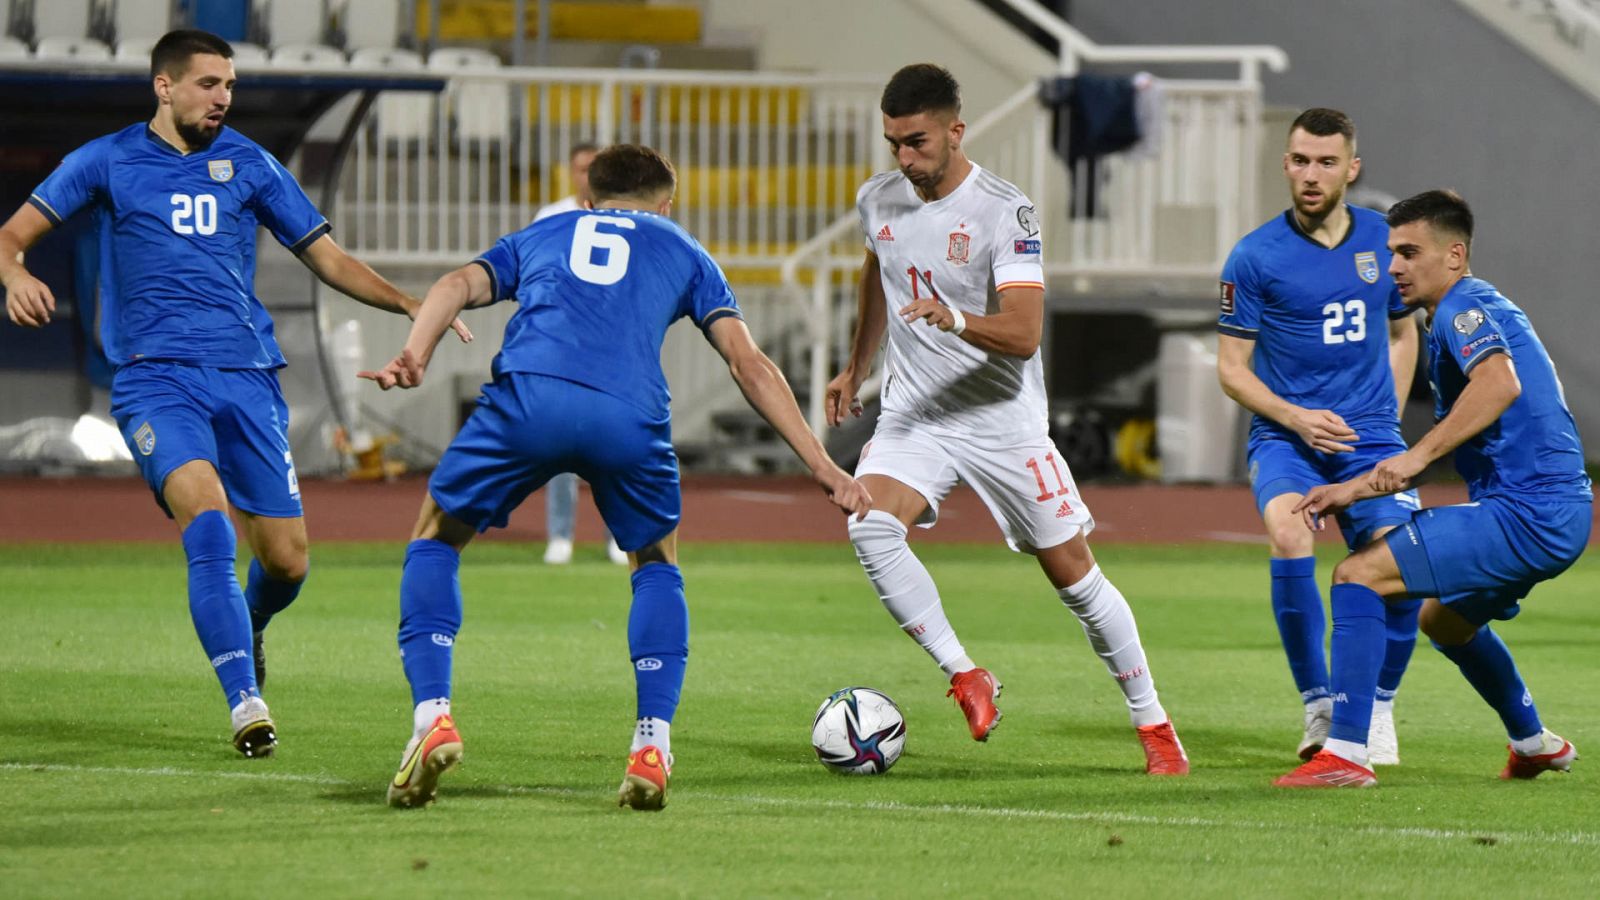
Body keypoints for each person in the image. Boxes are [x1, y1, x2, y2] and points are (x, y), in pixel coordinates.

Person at [0, 30, 469, 759]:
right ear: (165, 86)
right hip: (156, 378)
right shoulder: (106, 159)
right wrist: (17, 274)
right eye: (208, 84)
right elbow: (10, 236)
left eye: (229, 86)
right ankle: (245, 700)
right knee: (209, 521)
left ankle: (248, 625)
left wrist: (411, 306)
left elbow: (328, 258)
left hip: (248, 380)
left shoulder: (250, 163)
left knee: (286, 562)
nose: (222, 98)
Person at [360, 144, 871, 810]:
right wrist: (823, 464)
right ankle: (651, 744)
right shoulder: (686, 249)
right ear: (666, 203)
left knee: (435, 534)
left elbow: (457, 284)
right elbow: (749, 365)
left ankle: (433, 718)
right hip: (625, 416)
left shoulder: (547, 230)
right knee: (655, 560)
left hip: (529, 401)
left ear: (588, 201)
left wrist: (416, 351)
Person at [825, 63, 1187, 775]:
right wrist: (856, 365)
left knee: (1075, 578)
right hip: (917, 413)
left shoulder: (1003, 210)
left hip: (1000, 420)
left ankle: (1154, 725)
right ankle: (965, 674)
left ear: (956, 132)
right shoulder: (879, 199)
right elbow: (878, 269)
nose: (905, 158)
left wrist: (955, 318)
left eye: (918, 142)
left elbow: (1023, 333)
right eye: (893, 143)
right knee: (869, 524)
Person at [1278, 189, 1591, 787]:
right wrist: (1353, 489)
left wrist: (1415, 457)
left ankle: (1346, 753)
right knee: (1443, 621)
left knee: (1357, 575)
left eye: (1408, 252)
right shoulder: (1475, 305)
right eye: (1391, 252)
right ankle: (1533, 742)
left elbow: (1499, 385)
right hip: (1548, 512)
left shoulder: (1461, 309)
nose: (1393, 266)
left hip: (1531, 513)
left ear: (1453, 255)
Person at [1216, 108, 1423, 766]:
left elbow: (1401, 331)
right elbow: (1230, 370)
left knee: (1403, 568)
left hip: (1371, 441)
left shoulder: (1384, 240)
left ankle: (1380, 705)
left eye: (1326, 162)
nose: (1311, 175)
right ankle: (1319, 705)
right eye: (1301, 160)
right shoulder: (1253, 257)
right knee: (1289, 532)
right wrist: (1298, 419)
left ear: (1351, 169)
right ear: (1286, 164)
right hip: (1287, 440)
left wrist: (1382, 420)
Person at [529, 143, 625, 565]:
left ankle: (618, 536)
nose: (586, 175)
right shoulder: (551, 216)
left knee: (615, 443)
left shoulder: (624, 219)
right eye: (580, 168)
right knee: (564, 442)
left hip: (613, 347)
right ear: (571, 172)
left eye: (593, 168)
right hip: (562, 347)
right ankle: (561, 535)